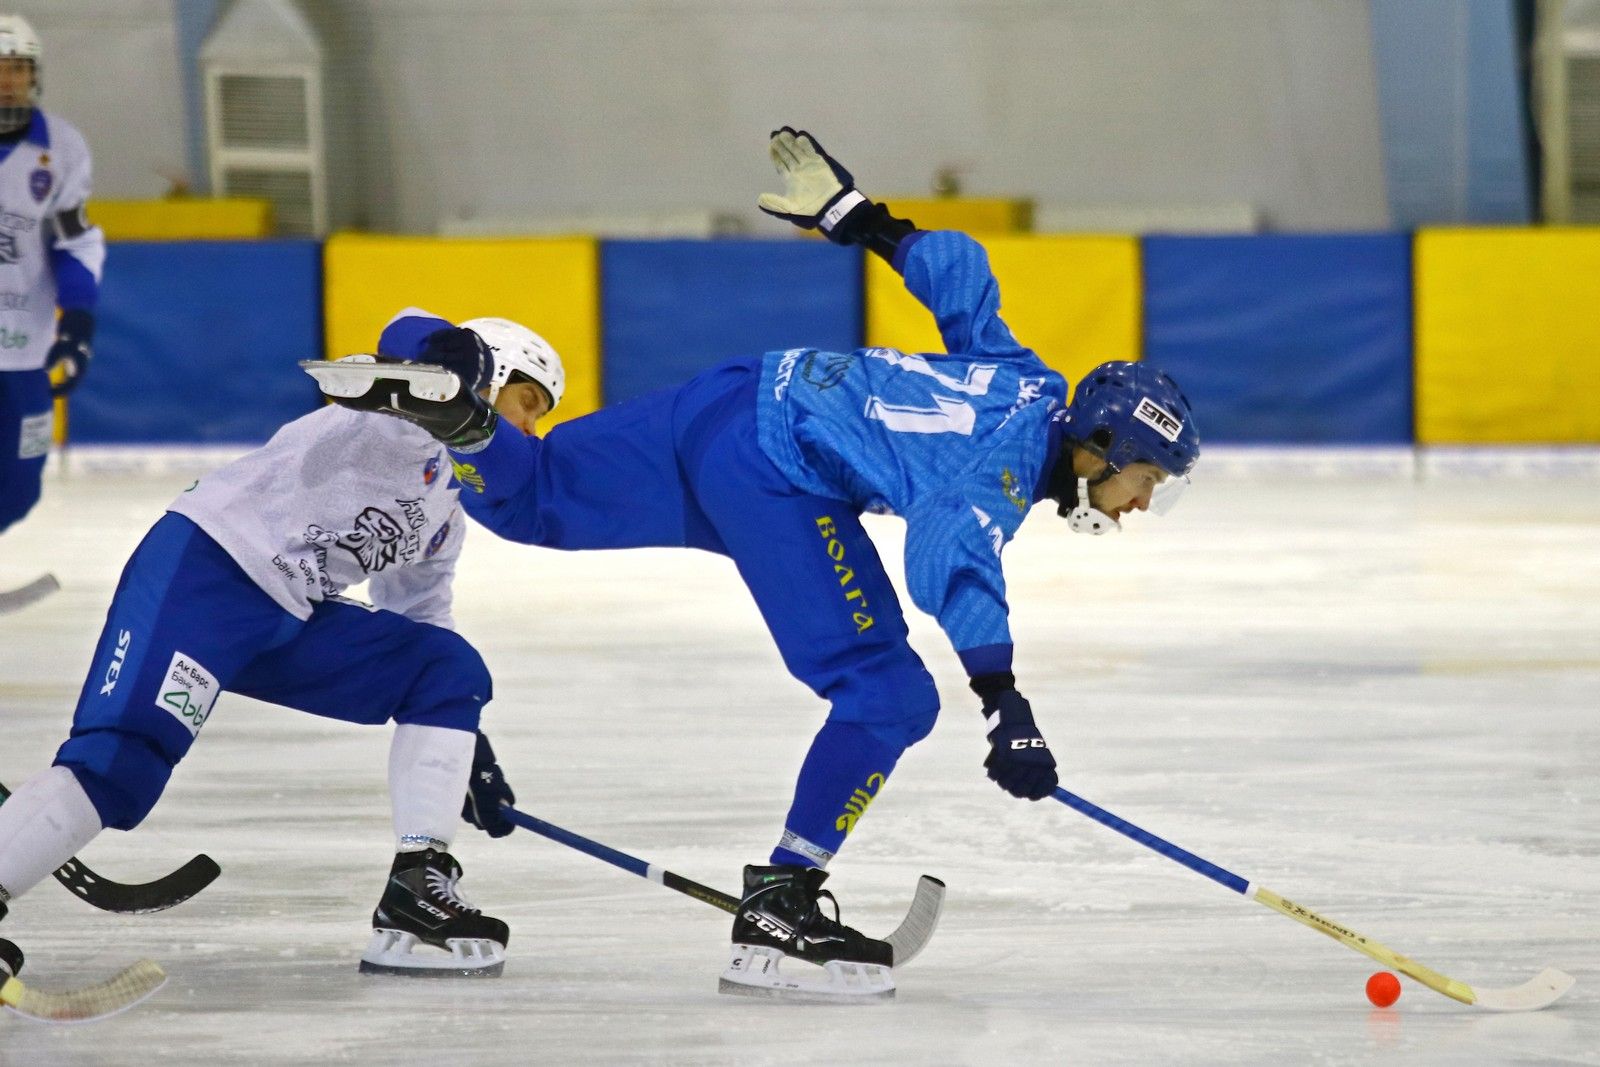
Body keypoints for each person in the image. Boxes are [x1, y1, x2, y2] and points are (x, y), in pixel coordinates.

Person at [318, 128, 1201, 1001]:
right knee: (889, 694)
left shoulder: (1034, 381)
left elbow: (965, 280)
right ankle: (782, 904)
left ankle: (435, 368)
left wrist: (861, 219)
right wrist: (1006, 705)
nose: (1141, 504)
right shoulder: (999, 472)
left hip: (734, 395)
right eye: (1145, 479)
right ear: (1104, 445)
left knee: (532, 492)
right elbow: (949, 557)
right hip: (778, 472)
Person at [0, 311, 563, 985]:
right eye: (526, 403)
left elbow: (419, 616)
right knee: (120, 764)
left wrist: (458, 740)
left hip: (287, 616)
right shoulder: (397, 411)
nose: (530, 429)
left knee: (449, 669)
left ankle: (417, 890)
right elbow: (407, 331)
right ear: (491, 372)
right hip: (206, 573)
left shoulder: (446, 513)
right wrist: (453, 369)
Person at [0, 13, 104, 536]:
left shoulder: (60, 149)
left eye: (16, 67)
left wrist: (77, 324)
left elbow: (72, 243)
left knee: (19, 488)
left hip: (24, 347)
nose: (7, 79)